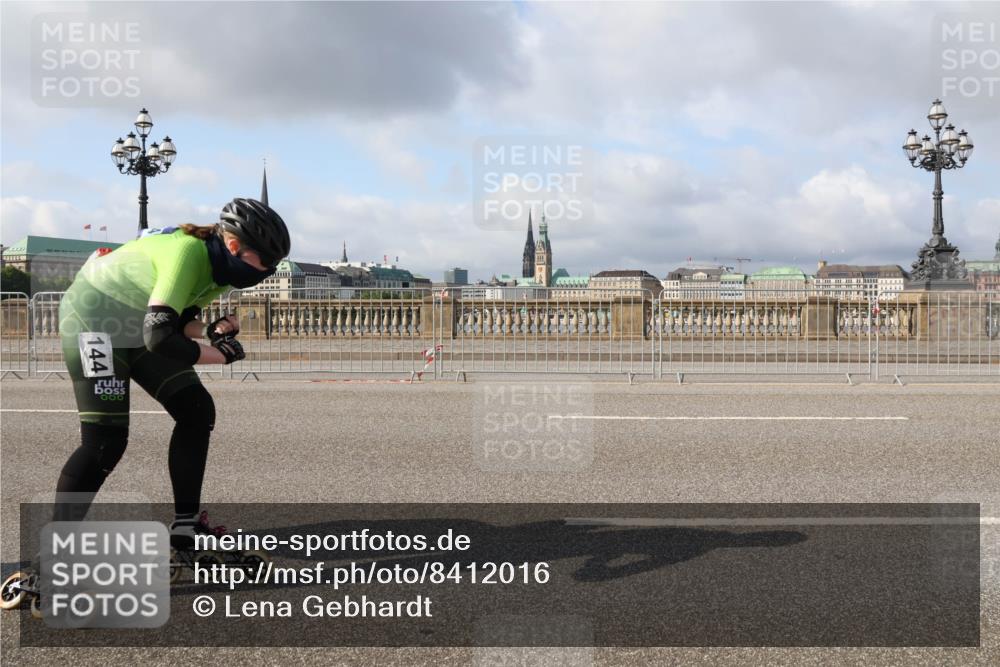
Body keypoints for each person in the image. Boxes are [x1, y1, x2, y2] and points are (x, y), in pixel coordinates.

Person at [55, 197, 290, 547]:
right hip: (93, 324)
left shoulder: (223, 271)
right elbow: (161, 337)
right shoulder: (188, 253)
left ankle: (185, 527)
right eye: (267, 261)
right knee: (105, 441)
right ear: (234, 245)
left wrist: (210, 330)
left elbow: (177, 320)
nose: (270, 270)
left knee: (196, 411)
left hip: (136, 326)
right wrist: (220, 357)